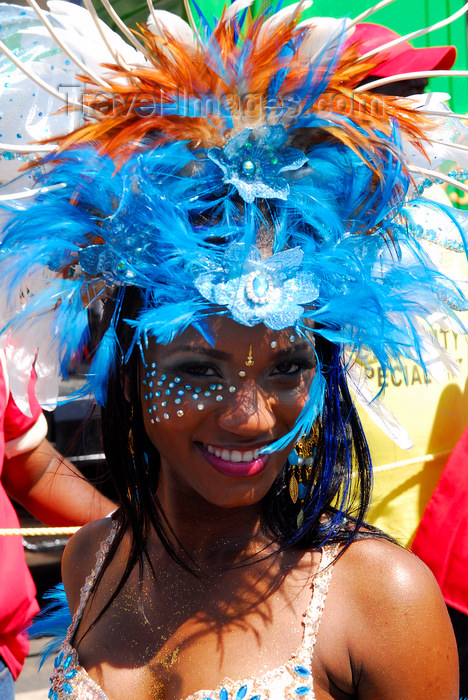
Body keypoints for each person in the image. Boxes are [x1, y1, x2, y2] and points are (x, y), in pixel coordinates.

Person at [1, 2, 468, 698]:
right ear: (130, 374)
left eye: (287, 367)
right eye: (197, 370)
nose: (250, 417)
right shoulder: (92, 558)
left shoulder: (381, 604)